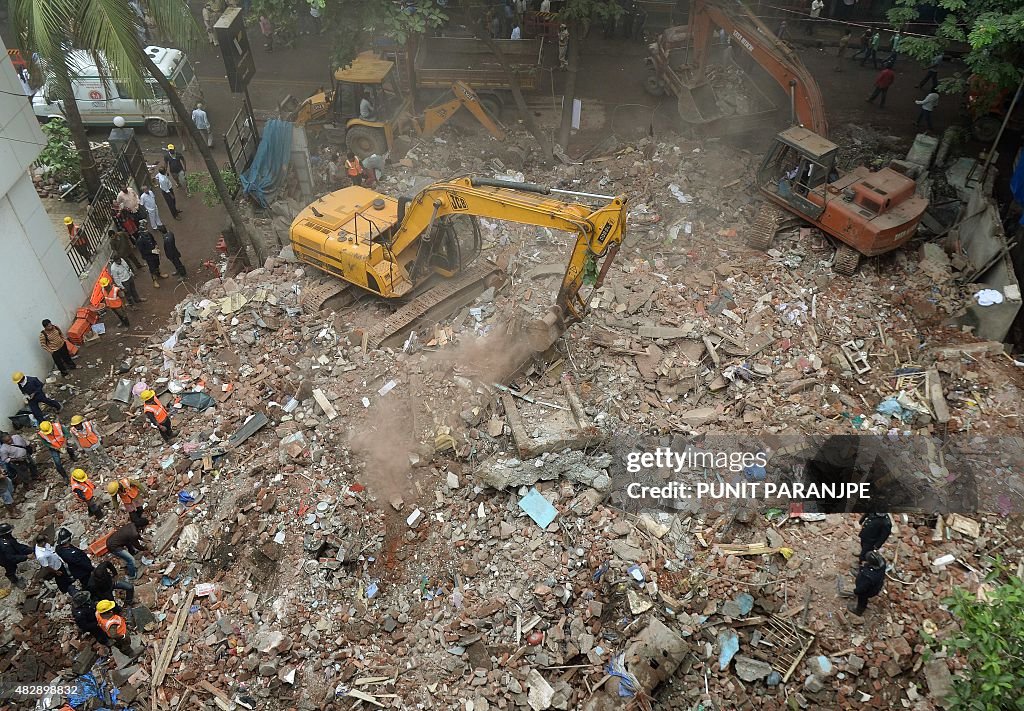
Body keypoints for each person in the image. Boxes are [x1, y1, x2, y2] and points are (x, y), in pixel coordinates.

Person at [848, 551, 886, 615]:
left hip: (867, 591)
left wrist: (856, 591)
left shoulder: (868, 577)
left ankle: (858, 611)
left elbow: (862, 588)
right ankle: (859, 574)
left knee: (862, 599)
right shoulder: (882, 563)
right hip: (877, 584)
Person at [136, 221, 169, 288]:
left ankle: (159, 274)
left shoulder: (149, 234)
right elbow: (142, 251)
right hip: (149, 257)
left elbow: (153, 240)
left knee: (157, 264)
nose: (146, 231)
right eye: (145, 230)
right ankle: (154, 281)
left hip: (155, 253)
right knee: (152, 268)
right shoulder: (140, 240)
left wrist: (156, 245)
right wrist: (151, 251)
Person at [0, 523, 31, 588]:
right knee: (10, 567)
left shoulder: (7, 537)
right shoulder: (5, 545)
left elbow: (17, 546)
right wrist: (26, 557)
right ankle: (14, 580)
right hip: (4, 559)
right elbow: (11, 558)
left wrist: (30, 549)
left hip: (8, 553)